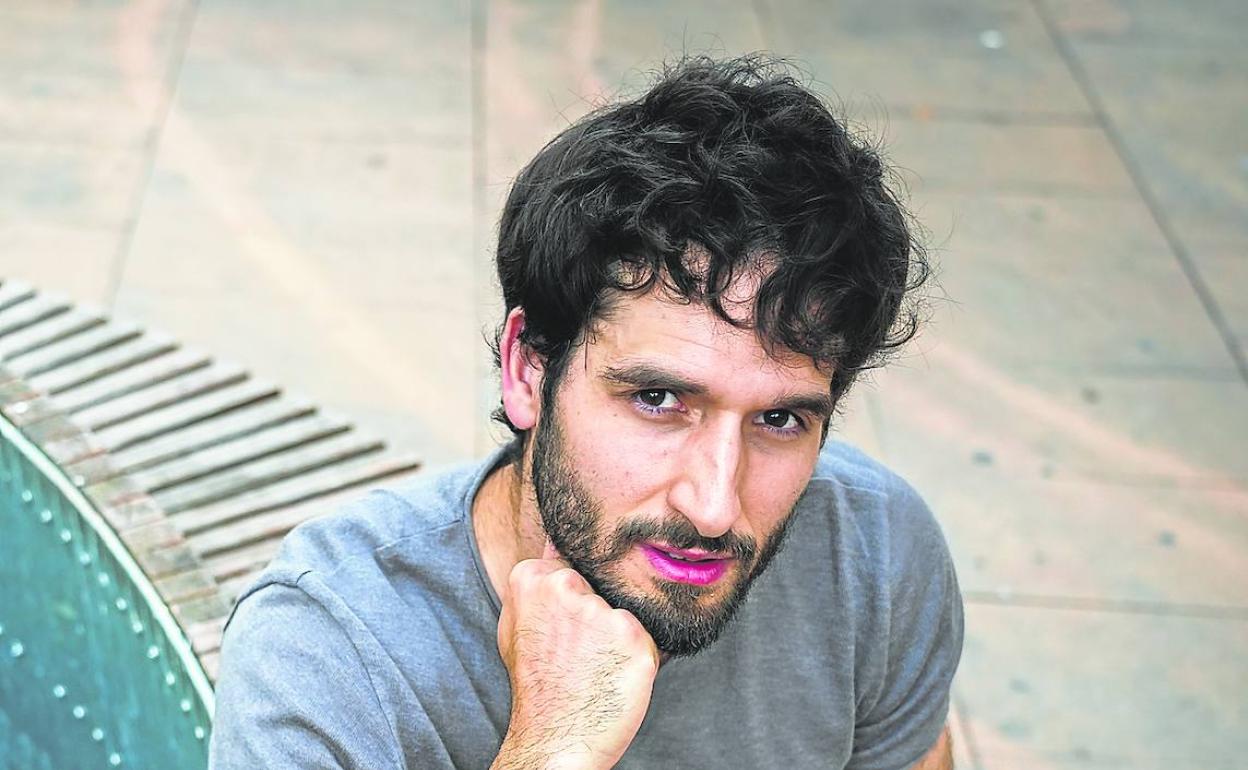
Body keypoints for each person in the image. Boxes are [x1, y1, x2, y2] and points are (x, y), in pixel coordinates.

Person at [209, 55, 963, 770]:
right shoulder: (328, 649)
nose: (713, 506)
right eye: (658, 400)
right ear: (527, 369)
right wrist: (554, 746)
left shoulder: (873, 555)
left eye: (779, 421)